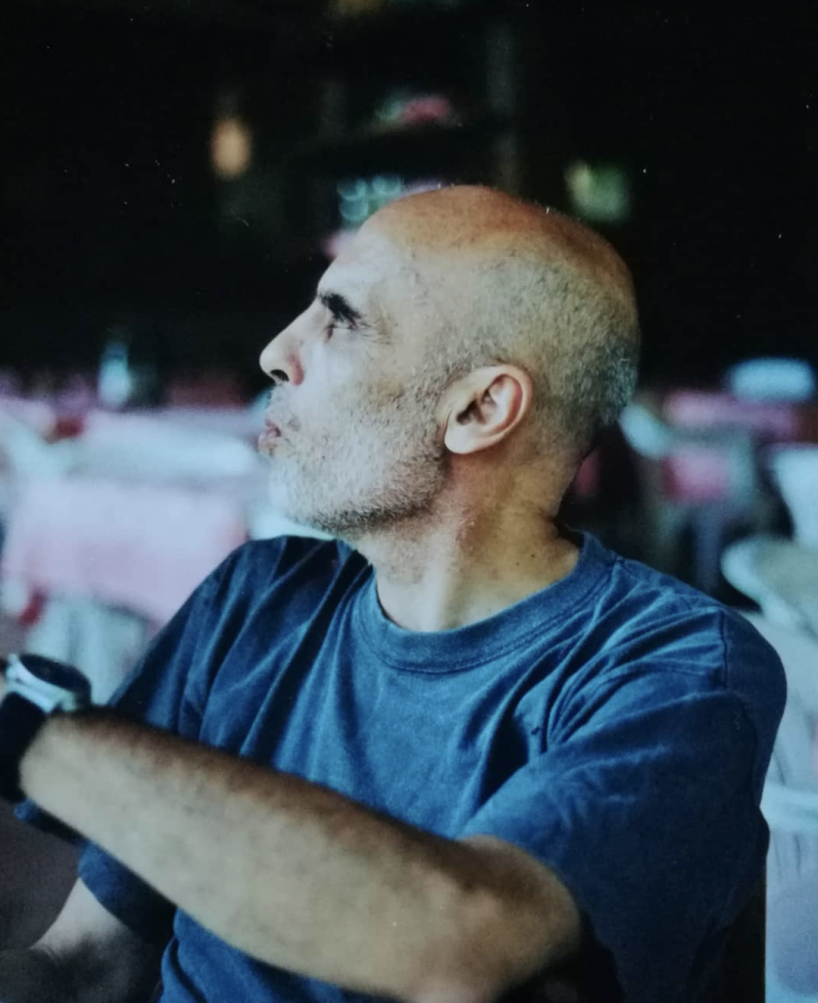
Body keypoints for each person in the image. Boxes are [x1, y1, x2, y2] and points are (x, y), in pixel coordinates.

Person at [0, 186, 785, 1003]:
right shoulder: (255, 600)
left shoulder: (676, 664)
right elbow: (89, 963)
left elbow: (459, 951)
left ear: (480, 408)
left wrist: (23, 722)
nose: (276, 351)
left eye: (340, 318)